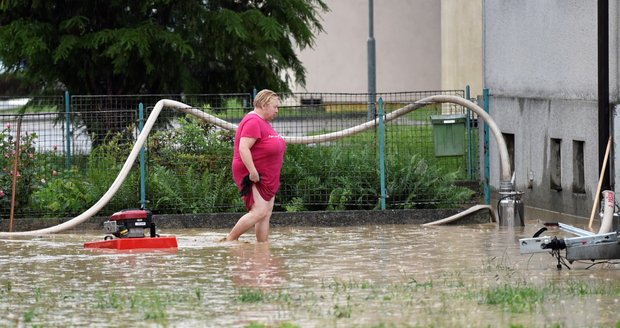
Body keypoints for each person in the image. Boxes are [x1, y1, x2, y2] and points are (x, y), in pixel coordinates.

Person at [222, 89, 286, 242]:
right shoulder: (253, 121)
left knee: (265, 213)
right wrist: (253, 171)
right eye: (275, 106)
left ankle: (262, 246)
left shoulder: (263, 123)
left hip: (267, 174)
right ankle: (229, 240)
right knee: (259, 211)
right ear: (264, 105)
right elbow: (243, 148)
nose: (277, 110)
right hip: (255, 174)